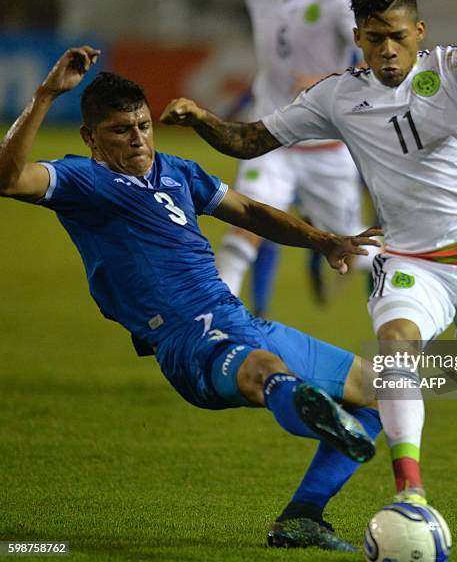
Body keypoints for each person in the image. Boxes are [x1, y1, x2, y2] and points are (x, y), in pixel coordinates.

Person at [161, 0, 457, 508]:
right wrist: (203, 121)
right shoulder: (338, 95)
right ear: (357, 37)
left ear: (419, 34)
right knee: (396, 346)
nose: (387, 50)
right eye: (375, 38)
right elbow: (252, 141)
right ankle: (411, 493)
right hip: (410, 261)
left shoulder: (453, 67)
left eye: (398, 38)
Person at [0, 46, 385, 551]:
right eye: (121, 130)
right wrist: (48, 93)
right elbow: (8, 179)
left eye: (142, 125)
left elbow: (247, 209)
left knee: (385, 390)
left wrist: (322, 240)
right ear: (90, 137)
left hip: (238, 320)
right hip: (189, 339)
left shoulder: (177, 171)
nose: (138, 138)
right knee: (263, 369)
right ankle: (309, 409)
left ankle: (302, 517)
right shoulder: (82, 181)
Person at [217, 0, 374, 317]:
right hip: (270, 139)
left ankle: (418, 300)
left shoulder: (334, 2)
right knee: (246, 223)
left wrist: (325, 79)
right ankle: (213, 324)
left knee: (358, 250)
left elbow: (372, 60)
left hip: (326, 149)